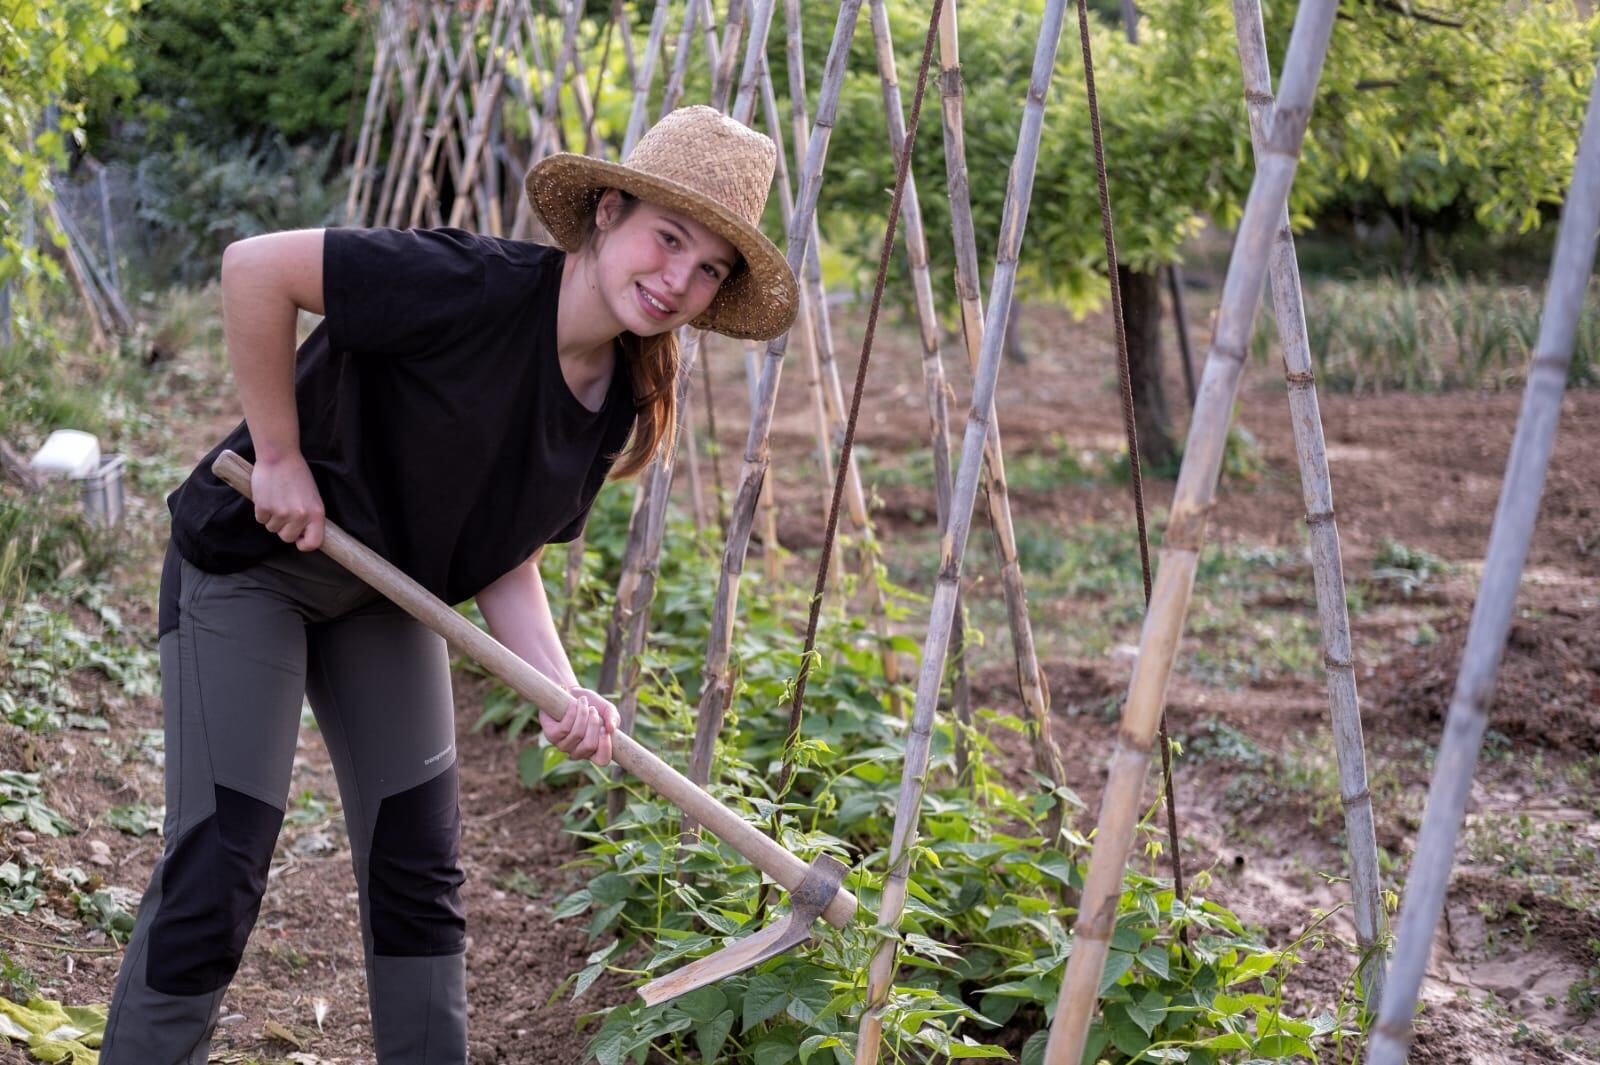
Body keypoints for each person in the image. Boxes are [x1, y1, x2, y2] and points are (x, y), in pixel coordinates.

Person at [99, 104, 799, 1064]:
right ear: (607, 211)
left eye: (710, 266)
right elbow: (254, 266)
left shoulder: (620, 397)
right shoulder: (467, 285)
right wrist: (280, 455)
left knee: (418, 868)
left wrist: (562, 687)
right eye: (667, 238)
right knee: (222, 864)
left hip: (381, 593)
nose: (678, 279)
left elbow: (505, 547)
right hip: (253, 566)